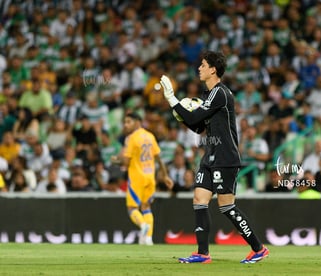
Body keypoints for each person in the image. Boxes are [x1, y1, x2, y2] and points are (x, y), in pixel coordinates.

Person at [160, 50, 269, 264]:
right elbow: (198, 126)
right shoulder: (209, 95)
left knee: (226, 206)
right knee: (199, 200)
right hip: (210, 155)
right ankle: (202, 253)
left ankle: (258, 248)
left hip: (226, 157)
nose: (199, 68)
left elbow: (194, 116)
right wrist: (180, 114)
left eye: (202, 65)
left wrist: (173, 99)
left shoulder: (220, 93)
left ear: (213, 69)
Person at [111, 112, 173, 246]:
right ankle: (148, 239)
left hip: (137, 177)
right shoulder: (150, 136)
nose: (126, 125)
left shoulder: (131, 138)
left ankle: (143, 225)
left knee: (131, 208)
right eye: (125, 122)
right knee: (146, 207)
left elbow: (126, 163)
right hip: (150, 177)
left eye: (129, 122)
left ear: (137, 122)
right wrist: (165, 175)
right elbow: (159, 158)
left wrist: (116, 161)